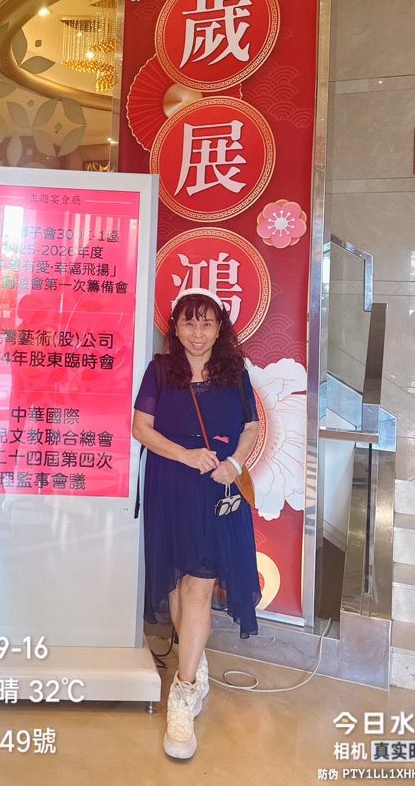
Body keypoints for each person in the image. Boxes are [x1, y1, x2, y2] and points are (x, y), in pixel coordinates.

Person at [132, 289, 261, 760]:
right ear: (176, 329)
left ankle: (183, 693)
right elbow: (140, 428)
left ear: (219, 328)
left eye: (207, 323)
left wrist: (235, 463)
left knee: (199, 586)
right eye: (189, 323)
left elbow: (250, 426)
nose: (198, 332)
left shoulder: (235, 372)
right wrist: (185, 455)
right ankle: (195, 660)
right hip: (170, 485)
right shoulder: (160, 370)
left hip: (217, 489)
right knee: (176, 584)